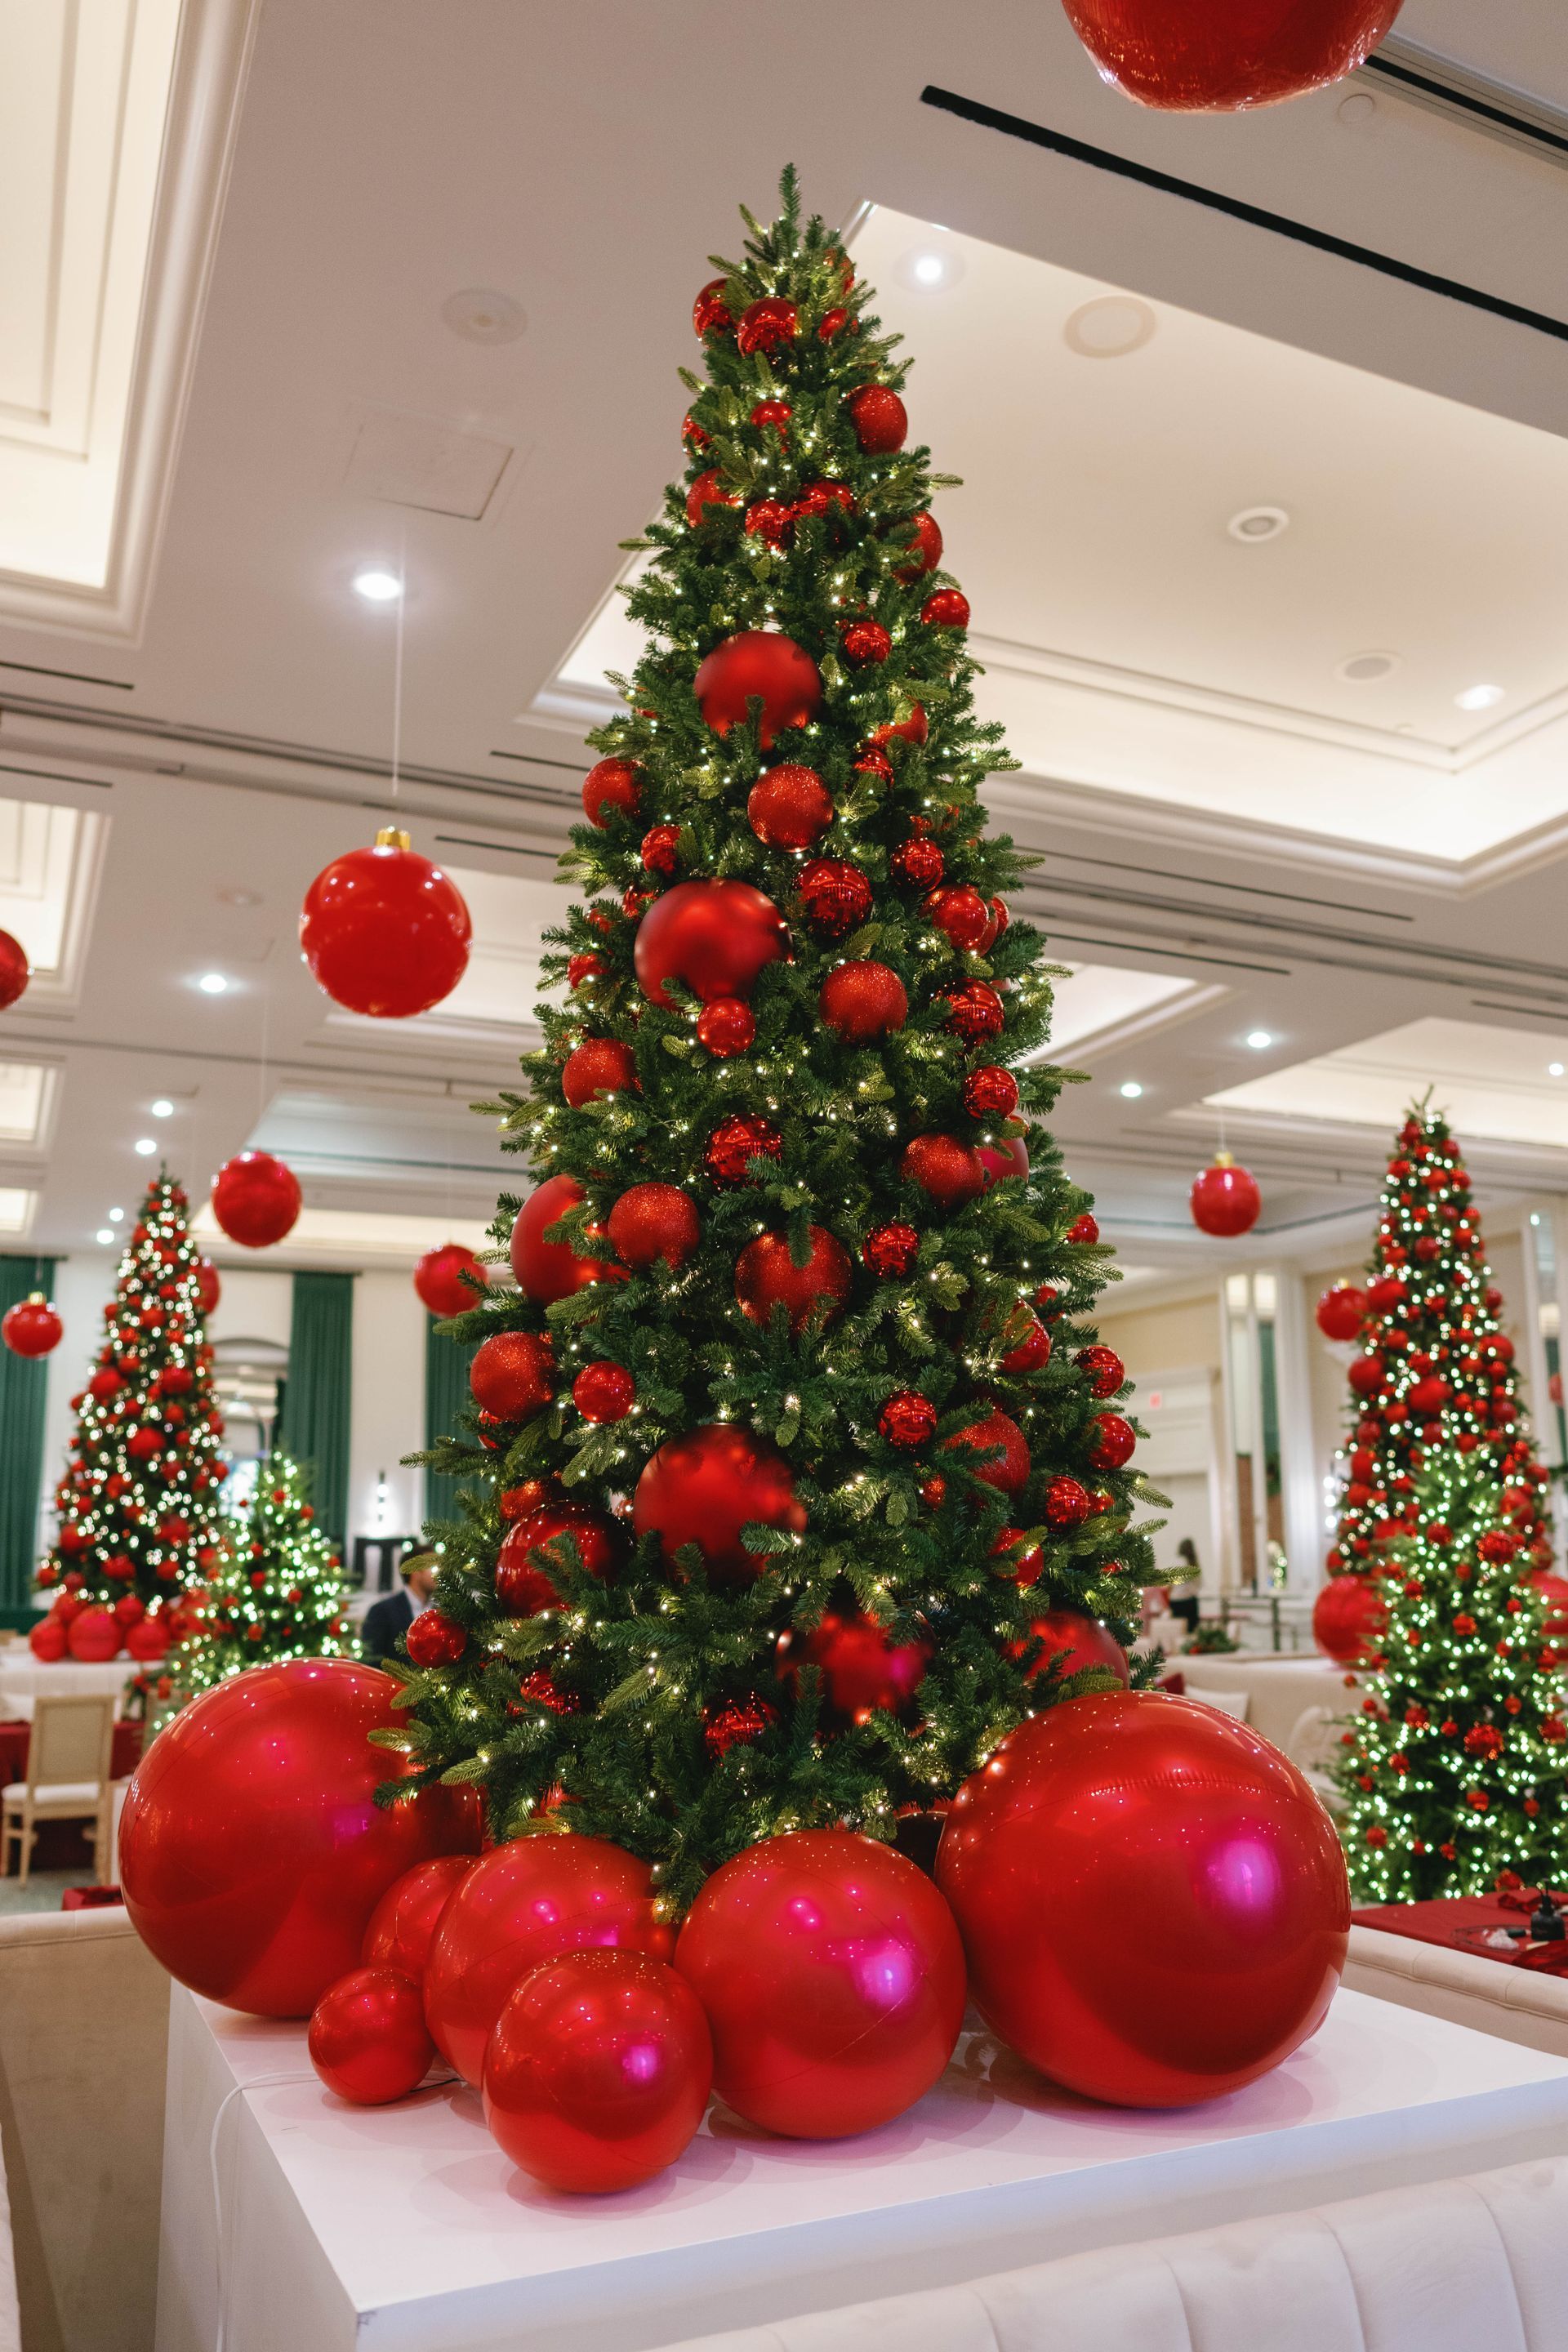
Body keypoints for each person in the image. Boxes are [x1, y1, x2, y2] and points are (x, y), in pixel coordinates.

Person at [361, 1551, 438, 1668]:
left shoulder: (441, 1612)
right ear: (415, 1571)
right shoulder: (382, 1611)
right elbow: (372, 1661)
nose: (439, 1574)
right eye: (433, 1567)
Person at [1168, 1537, 1201, 1631]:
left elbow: (1169, 1584)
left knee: (1178, 1630)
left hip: (1175, 1600)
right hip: (1189, 1600)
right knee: (1190, 1630)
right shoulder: (1192, 1563)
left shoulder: (1175, 1562)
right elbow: (1197, 1584)